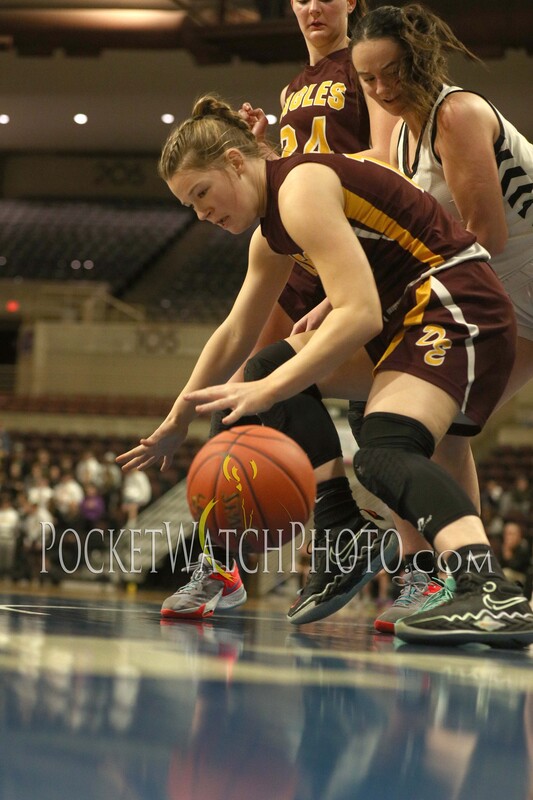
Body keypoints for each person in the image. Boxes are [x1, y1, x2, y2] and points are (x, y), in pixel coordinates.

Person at [117, 94, 533, 648]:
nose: (201, 214)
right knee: (265, 367)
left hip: (456, 305)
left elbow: (357, 313)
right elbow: (235, 333)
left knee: (384, 451)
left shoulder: (301, 187)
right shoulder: (271, 233)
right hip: (409, 318)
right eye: (188, 206)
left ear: (237, 164)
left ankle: (490, 589)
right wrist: (178, 418)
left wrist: (269, 388)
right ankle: (344, 527)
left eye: (202, 194)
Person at [173, 0, 400, 619]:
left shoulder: (368, 68)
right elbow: (292, 185)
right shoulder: (294, 88)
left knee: (394, 444)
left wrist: (293, 167)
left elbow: (389, 163)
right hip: (306, 258)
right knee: (244, 392)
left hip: (365, 259)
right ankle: (221, 565)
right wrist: (273, 153)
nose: (313, 6)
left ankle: (426, 570)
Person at [349, 3, 533, 633]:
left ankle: (468, 584)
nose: (380, 89)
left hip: (512, 286)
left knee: (428, 430)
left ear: (420, 57)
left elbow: (485, 231)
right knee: (443, 431)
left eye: (390, 72)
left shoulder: (454, 114)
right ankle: (460, 583)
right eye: (368, 79)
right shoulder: (403, 132)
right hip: (500, 291)